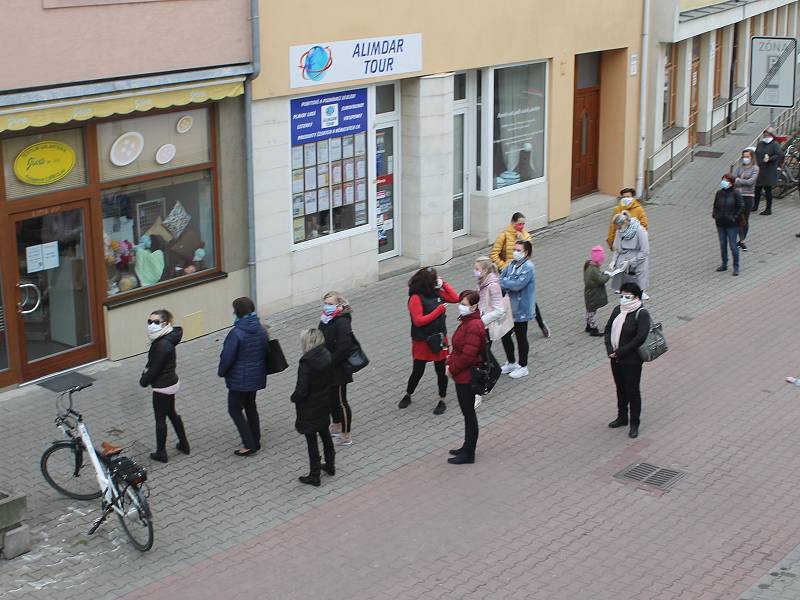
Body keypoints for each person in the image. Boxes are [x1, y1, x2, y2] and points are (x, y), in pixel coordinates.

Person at [399, 268, 459, 414]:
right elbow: (418, 321)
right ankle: (408, 394)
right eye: (435, 279)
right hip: (422, 341)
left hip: (439, 338)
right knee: (418, 370)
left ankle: (442, 399)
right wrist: (437, 311)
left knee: (441, 371)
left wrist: (444, 283)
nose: (436, 281)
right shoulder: (415, 298)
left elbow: (455, 298)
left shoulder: (437, 292)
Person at [218, 297, 268, 457]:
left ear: (237, 312)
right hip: (256, 376)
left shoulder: (236, 333)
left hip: (239, 379)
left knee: (234, 409)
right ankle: (256, 439)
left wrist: (221, 371)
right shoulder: (261, 328)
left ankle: (249, 444)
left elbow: (227, 357)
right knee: (250, 406)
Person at [139, 309, 189, 463]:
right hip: (171, 382)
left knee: (160, 419)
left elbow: (155, 369)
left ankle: (161, 452)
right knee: (172, 414)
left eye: (156, 322)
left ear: (165, 323)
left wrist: (144, 380)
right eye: (150, 322)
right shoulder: (166, 338)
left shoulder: (161, 344)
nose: (152, 325)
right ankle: (184, 444)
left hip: (162, 386)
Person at [490, 212, 550, 337]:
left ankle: (541, 324)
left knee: (530, 301)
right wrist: (504, 266)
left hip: (521, 272)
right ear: (513, 223)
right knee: (508, 301)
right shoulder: (504, 236)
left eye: (523, 224)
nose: (521, 226)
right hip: (507, 273)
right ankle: (509, 327)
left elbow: (529, 250)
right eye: (519, 224)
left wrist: (521, 237)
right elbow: (494, 254)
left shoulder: (526, 235)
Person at [604, 282, 651, 439]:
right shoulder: (618, 310)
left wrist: (621, 352)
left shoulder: (642, 314)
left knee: (632, 391)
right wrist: (610, 350)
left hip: (631, 361)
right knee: (620, 388)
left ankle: (634, 423)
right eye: (622, 296)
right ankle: (622, 417)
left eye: (627, 296)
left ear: (636, 297)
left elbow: (640, 338)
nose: (623, 299)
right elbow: (608, 329)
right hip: (615, 359)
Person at [445, 290, 486, 464]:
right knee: (467, 413)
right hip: (461, 375)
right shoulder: (467, 322)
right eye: (460, 303)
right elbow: (459, 348)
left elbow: (468, 356)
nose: (461, 307)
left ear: (474, 306)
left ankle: (469, 453)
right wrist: (449, 362)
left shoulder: (474, 326)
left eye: (464, 304)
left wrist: (452, 368)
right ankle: (466, 446)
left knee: (469, 414)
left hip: (467, 377)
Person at [291, 329, 336, 487]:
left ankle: (314, 475)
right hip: (324, 402)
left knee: (311, 441)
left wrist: (294, 397)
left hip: (309, 407)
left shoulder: (306, 363)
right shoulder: (326, 355)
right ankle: (330, 466)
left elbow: (301, 390)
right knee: (325, 435)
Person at [318, 292, 355, 445]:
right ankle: (336, 425)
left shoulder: (342, 322)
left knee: (340, 401)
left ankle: (346, 435)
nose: (327, 306)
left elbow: (344, 348)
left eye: (331, 303)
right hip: (327, 366)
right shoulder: (325, 319)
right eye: (325, 303)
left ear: (339, 305)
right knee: (331, 398)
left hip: (338, 368)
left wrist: (329, 361)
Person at [498, 241, 535, 378]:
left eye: (518, 250)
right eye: (514, 249)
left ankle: (523, 366)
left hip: (521, 308)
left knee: (521, 336)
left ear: (525, 253)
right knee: (505, 334)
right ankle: (511, 362)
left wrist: (506, 282)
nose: (515, 252)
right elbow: (500, 278)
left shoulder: (528, 267)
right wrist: (507, 282)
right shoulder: (511, 265)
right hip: (509, 307)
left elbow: (518, 285)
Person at [610, 211, 650, 299]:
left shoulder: (640, 231)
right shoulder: (619, 231)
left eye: (620, 227)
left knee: (637, 286)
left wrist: (630, 262)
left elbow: (645, 251)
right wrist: (613, 260)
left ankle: (640, 293)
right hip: (624, 260)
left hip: (637, 261)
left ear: (625, 223)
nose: (619, 230)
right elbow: (617, 248)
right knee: (625, 288)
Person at [713, 173, 745, 276]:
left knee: (733, 245)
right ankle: (724, 264)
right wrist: (715, 215)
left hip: (732, 224)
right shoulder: (719, 193)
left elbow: (741, 206)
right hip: (720, 223)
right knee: (723, 244)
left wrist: (734, 217)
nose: (724, 182)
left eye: (726, 180)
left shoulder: (736, 193)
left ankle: (736, 267)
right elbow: (715, 205)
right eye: (723, 180)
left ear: (731, 183)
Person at [753, 126, 784, 216]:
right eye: (764, 134)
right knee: (757, 189)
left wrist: (770, 159)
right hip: (760, 169)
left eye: (767, 134)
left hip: (768, 170)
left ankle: (768, 209)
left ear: (771, 135)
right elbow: (756, 153)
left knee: (767, 190)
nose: (765, 136)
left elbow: (780, 155)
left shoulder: (775, 144)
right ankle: (755, 206)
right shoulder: (761, 143)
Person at [733, 148, 758, 251]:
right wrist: (740, 180)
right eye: (744, 156)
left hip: (748, 196)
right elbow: (734, 180)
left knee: (745, 219)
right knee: (738, 217)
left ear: (751, 157)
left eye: (747, 157)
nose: (745, 159)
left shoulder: (755, 168)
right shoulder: (739, 168)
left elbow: (751, 182)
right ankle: (739, 239)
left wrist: (740, 180)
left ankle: (742, 241)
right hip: (738, 195)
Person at [584, 245, 610, 337]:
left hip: (589, 293)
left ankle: (588, 325)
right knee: (592, 312)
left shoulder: (589, 265)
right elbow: (601, 280)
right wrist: (607, 275)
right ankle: (593, 329)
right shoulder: (593, 270)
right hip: (593, 295)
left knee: (589, 310)